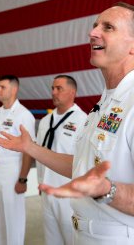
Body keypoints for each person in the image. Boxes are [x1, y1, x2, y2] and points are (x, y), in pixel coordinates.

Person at [0, 2, 134, 245]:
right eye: (95, 25)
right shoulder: (106, 103)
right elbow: (82, 167)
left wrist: (107, 190)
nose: (93, 32)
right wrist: (30, 148)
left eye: (108, 27)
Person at [36, 75, 87, 245]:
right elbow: (40, 155)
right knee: (52, 239)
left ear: (72, 92)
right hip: (47, 191)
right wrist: (40, 181)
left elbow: (84, 160)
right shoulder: (45, 121)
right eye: (53, 88)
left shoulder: (83, 121)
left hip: (69, 194)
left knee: (72, 239)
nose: (54, 92)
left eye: (59, 89)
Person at [0, 74, 36, 245]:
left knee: (13, 219)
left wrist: (22, 179)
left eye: (2, 87)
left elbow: (28, 151)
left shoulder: (24, 115)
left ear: (14, 89)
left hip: (12, 171)